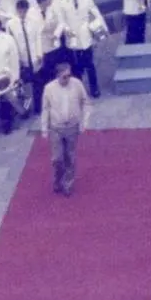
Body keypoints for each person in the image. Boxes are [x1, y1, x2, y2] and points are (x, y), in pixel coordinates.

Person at [41, 58, 90, 197]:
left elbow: (86, 103)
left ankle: (68, 184)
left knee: (70, 156)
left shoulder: (77, 84)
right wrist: (44, 128)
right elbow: (45, 109)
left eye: (69, 75)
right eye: (64, 76)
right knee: (57, 158)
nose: (68, 79)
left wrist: (84, 122)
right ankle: (57, 180)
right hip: (55, 128)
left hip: (72, 127)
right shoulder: (49, 88)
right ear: (57, 76)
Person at [60, 0, 106, 97]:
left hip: (85, 36)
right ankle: (79, 92)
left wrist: (101, 29)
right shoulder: (63, 2)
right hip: (73, 38)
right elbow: (62, 20)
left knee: (90, 64)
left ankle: (94, 89)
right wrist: (66, 30)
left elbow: (96, 14)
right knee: (76, 67)